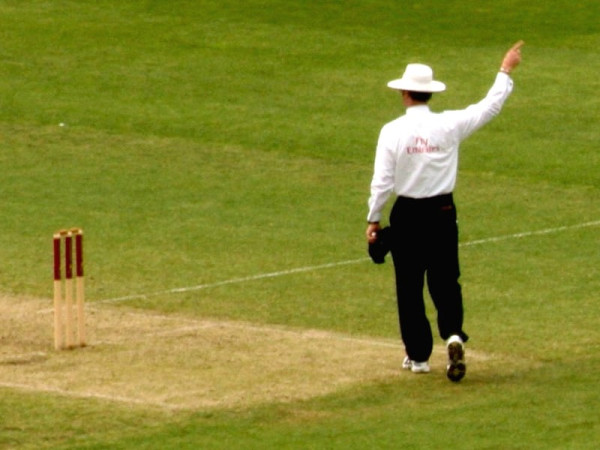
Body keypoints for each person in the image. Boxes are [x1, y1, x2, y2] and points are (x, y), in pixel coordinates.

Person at [365, 41, 524, 381]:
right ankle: (453, 334)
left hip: (408, 215)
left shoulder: (392, 131)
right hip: (442, 211)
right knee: (446, 280)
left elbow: (382, 181)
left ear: (404, 93)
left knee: (409, 287)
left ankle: (418, 356)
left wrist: (373, 218)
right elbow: (489, 107)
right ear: (430, 94)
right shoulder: (449, 124)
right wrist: (505, 70)